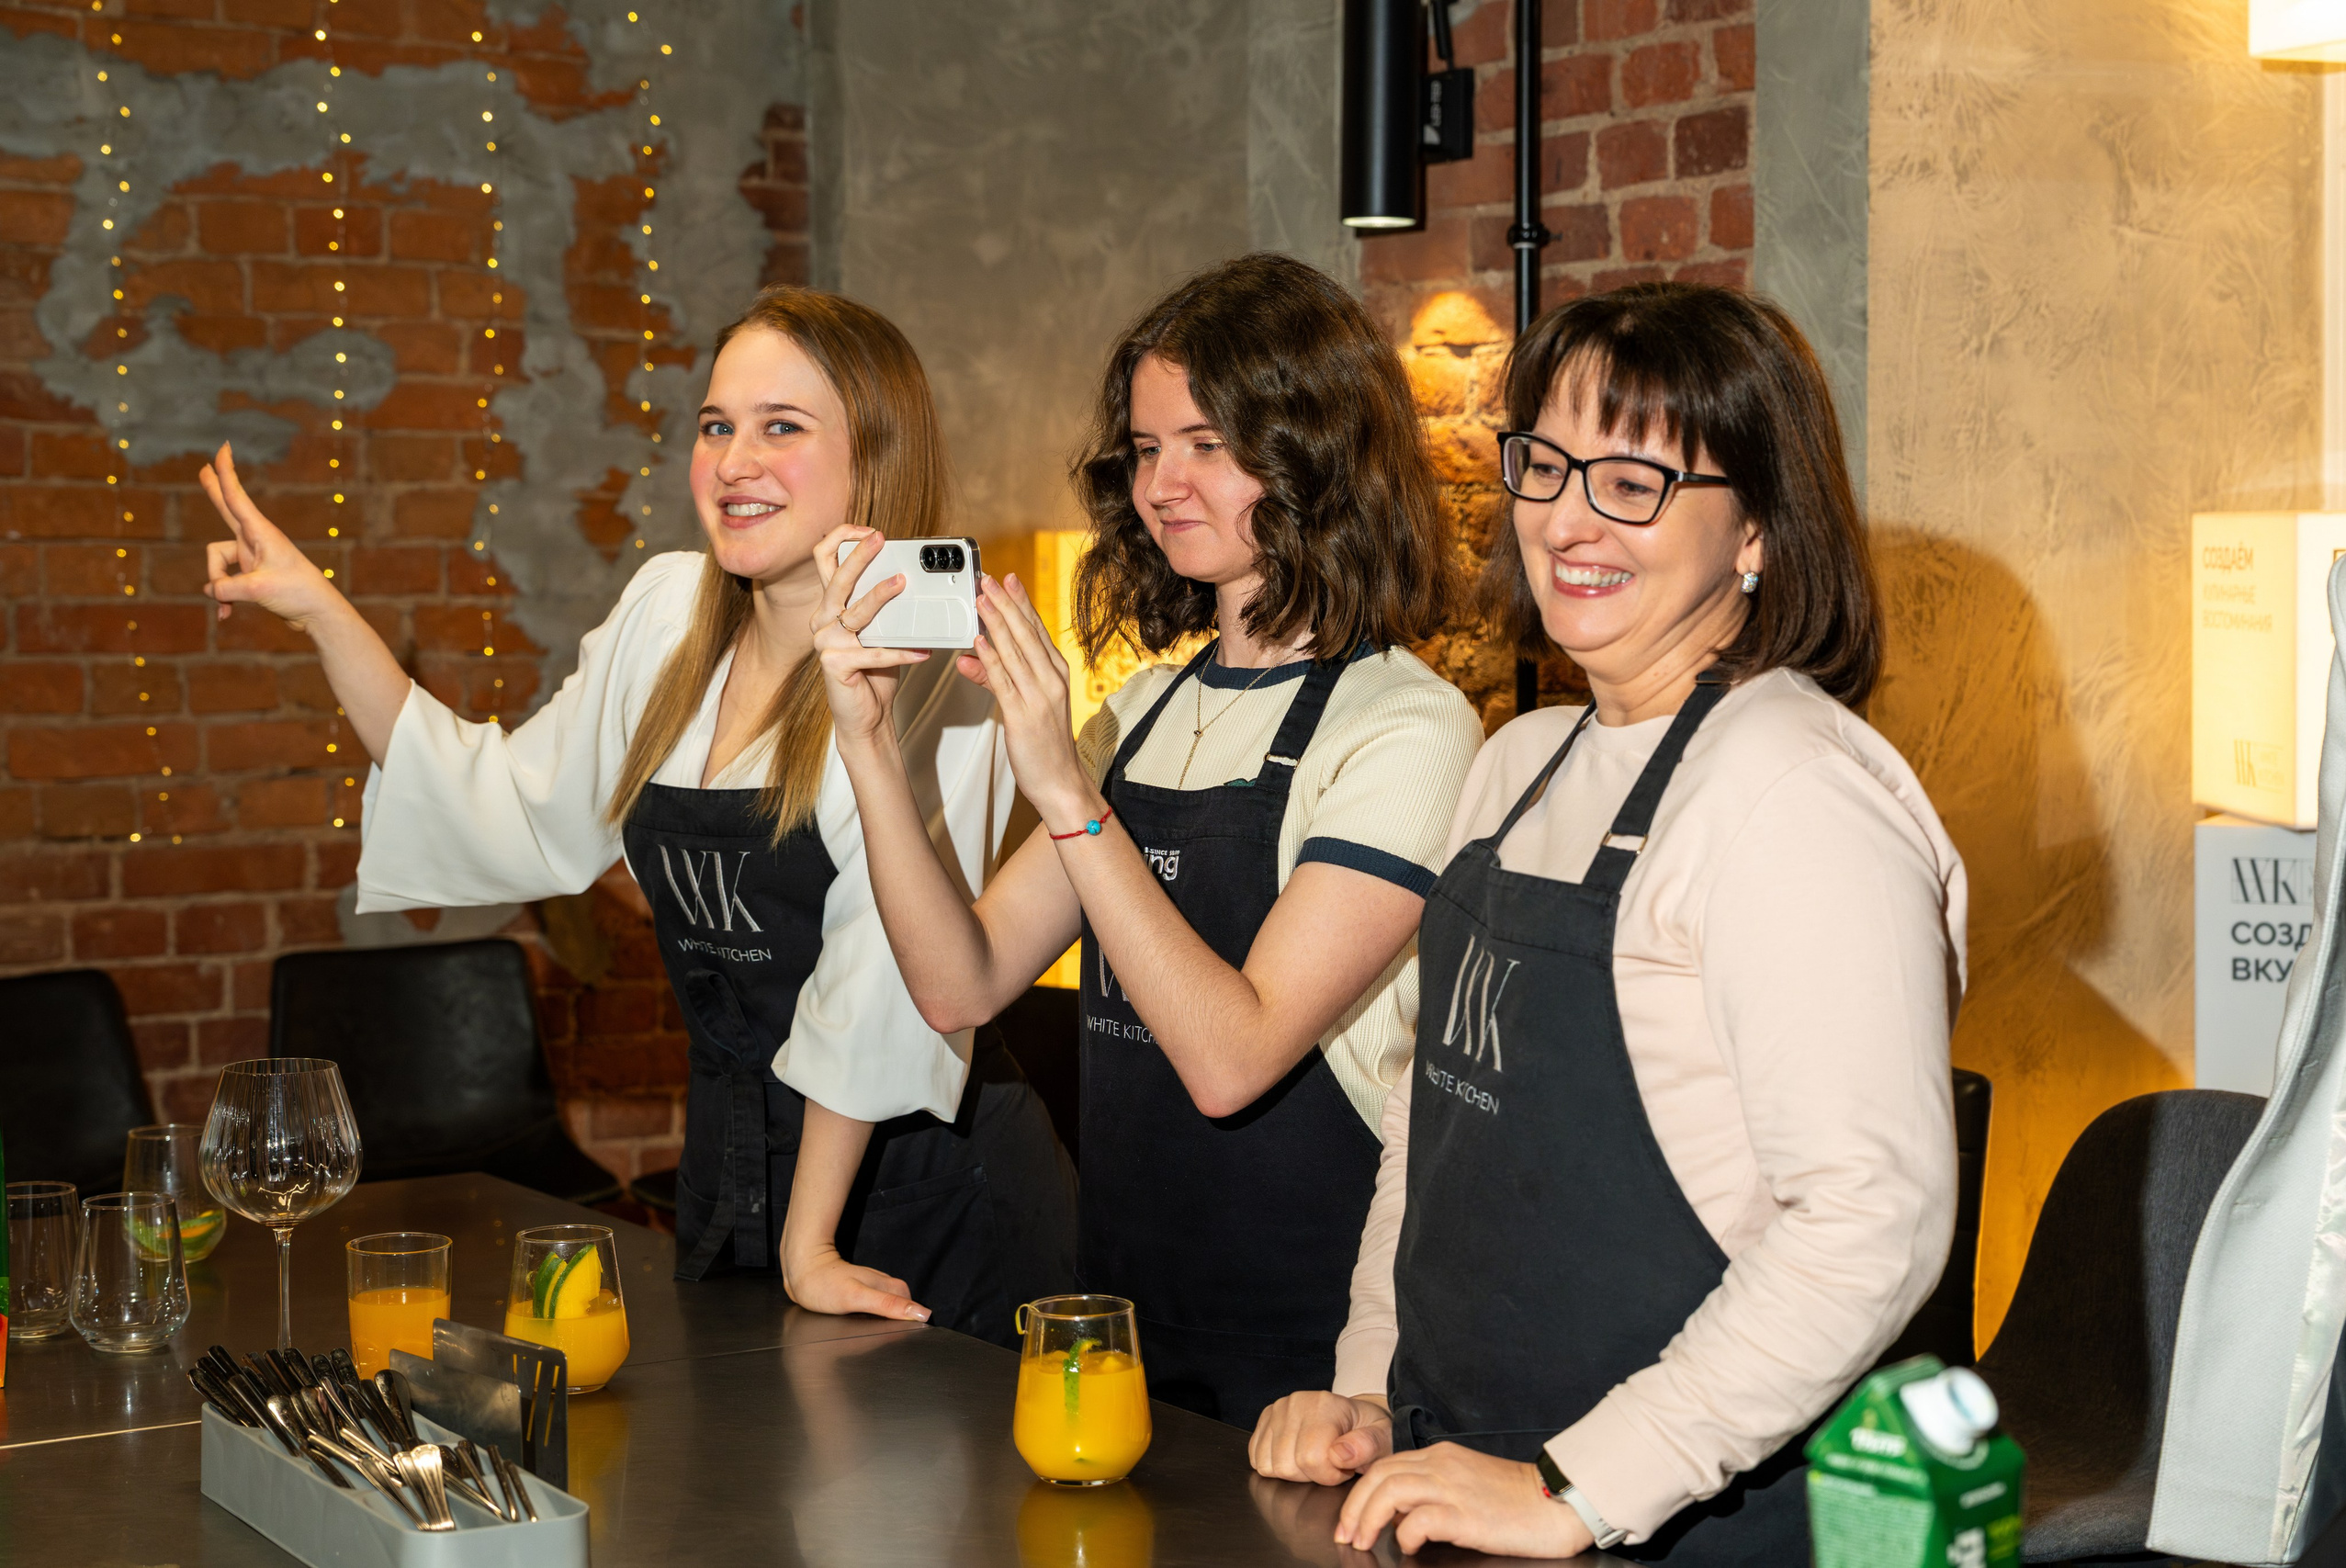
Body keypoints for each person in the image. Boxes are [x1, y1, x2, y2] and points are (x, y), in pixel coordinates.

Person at [198, 286, 1073, 1345]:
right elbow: (500, 796)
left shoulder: (941, 672)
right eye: (716, 426)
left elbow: (882, 978)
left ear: (874, 457)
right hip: (734, 1179)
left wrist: (807, 1247)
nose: (733, 461)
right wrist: (318, 610)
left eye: (781, 428)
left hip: (917, 1199)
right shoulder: (667, 613)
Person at [1248, 281, 1968, 1563]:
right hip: (1459, 1473)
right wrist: (1368, 1385)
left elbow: (1875, 1216)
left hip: (1692, 1517)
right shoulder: (1517, 756)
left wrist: (1579, 1485)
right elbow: (1433, 1122)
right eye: (1547, 462)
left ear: (1755, 529)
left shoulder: (1793, 794)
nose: (1568, 518)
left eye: (1635, 478)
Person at [814, 253, 1483, 1429]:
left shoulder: (1408, 725)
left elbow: (1233, 1059)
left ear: (1314, 452)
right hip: (1121, 1321)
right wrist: (867, 745)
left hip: (1314, 1362)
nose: (1162, 484)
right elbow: (955, 983)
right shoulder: (1145, 707)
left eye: (1207, 446)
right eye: (1144, 447)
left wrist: (1069, 790)